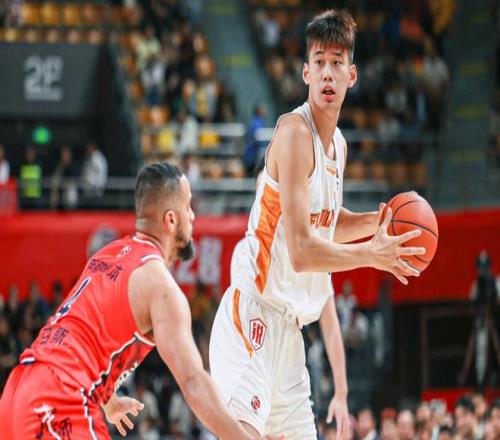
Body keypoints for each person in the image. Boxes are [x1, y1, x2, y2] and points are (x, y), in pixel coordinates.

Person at [209, 8, 424, 440]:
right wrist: (371, 255)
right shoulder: (294, 133)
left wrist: (380, 221)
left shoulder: (338, 146)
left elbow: (327, 222)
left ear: (352, 75)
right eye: (320, 62)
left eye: (337, 63)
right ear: (306, 73)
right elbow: (303, 250)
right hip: (252, 315)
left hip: (290, 332)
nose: (328, 72)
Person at [0, 162, 282, 440]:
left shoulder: (108, 253)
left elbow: (81, 333)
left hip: (17, 391)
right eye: (188, 206)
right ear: (170, 220)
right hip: (59, 401)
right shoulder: (162, 288)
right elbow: (193, 383)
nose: (193, 215)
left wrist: (108, 398)